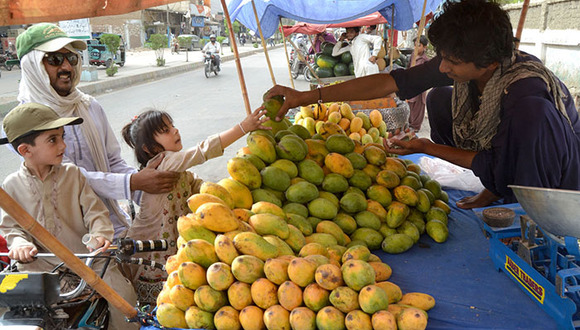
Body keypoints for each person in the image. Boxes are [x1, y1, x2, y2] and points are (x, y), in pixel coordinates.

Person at [265, 0, 580, 209]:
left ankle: (514, 203)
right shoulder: (467, 63)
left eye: (453, 62)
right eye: (443, 57)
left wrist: (429, 149)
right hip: (512, 150)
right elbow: (392, 82)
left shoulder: (527, 99)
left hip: (556, 178)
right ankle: (497, 186)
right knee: (442, 99)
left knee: (523, 138)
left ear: (488, 63)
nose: (442, 68)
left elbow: (516, 159)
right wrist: (305, 96)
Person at [10, 23, 179, 239]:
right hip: (66, 240)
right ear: (32, 67)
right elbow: (67, 178)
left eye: (71, 58)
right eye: (54, 60)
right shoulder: (22, 124)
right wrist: (133, 183)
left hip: (112, 226)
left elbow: (113, 162)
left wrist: (150, 190)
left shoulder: (89, 106)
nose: (67, 68)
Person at [0, 103, 138, 330]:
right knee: (14, 308)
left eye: (62, 137)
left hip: (86, 259)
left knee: (123, 295)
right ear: (25, 150)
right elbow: (11, 228)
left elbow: (96, 212)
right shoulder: (11, 186)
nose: (63, 145)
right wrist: (20, 243)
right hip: (39, 264)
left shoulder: (73, 174)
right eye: (53, 140)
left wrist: (101, 234)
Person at [120, 107, 268, 305]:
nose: (175, 131)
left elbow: (200, 187)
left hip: (171, 250)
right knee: (164, 304)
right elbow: (202, 151)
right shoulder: (164, 164)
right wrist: (242, 128)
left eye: (172, 126)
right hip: (152, 253)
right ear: (149, 149)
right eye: (165, 130)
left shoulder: (179, 171)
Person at [407, 35, 430, 131]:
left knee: (418, 105)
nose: (416, 47)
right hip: (411, 84)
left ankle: (416, 126)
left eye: (419, 45)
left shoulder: (425, 60)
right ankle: (410, 123)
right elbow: (408, 66)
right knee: (410, 104)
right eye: (415, 45)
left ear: (424, 47)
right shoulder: (413, 55)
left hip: (419, 86)